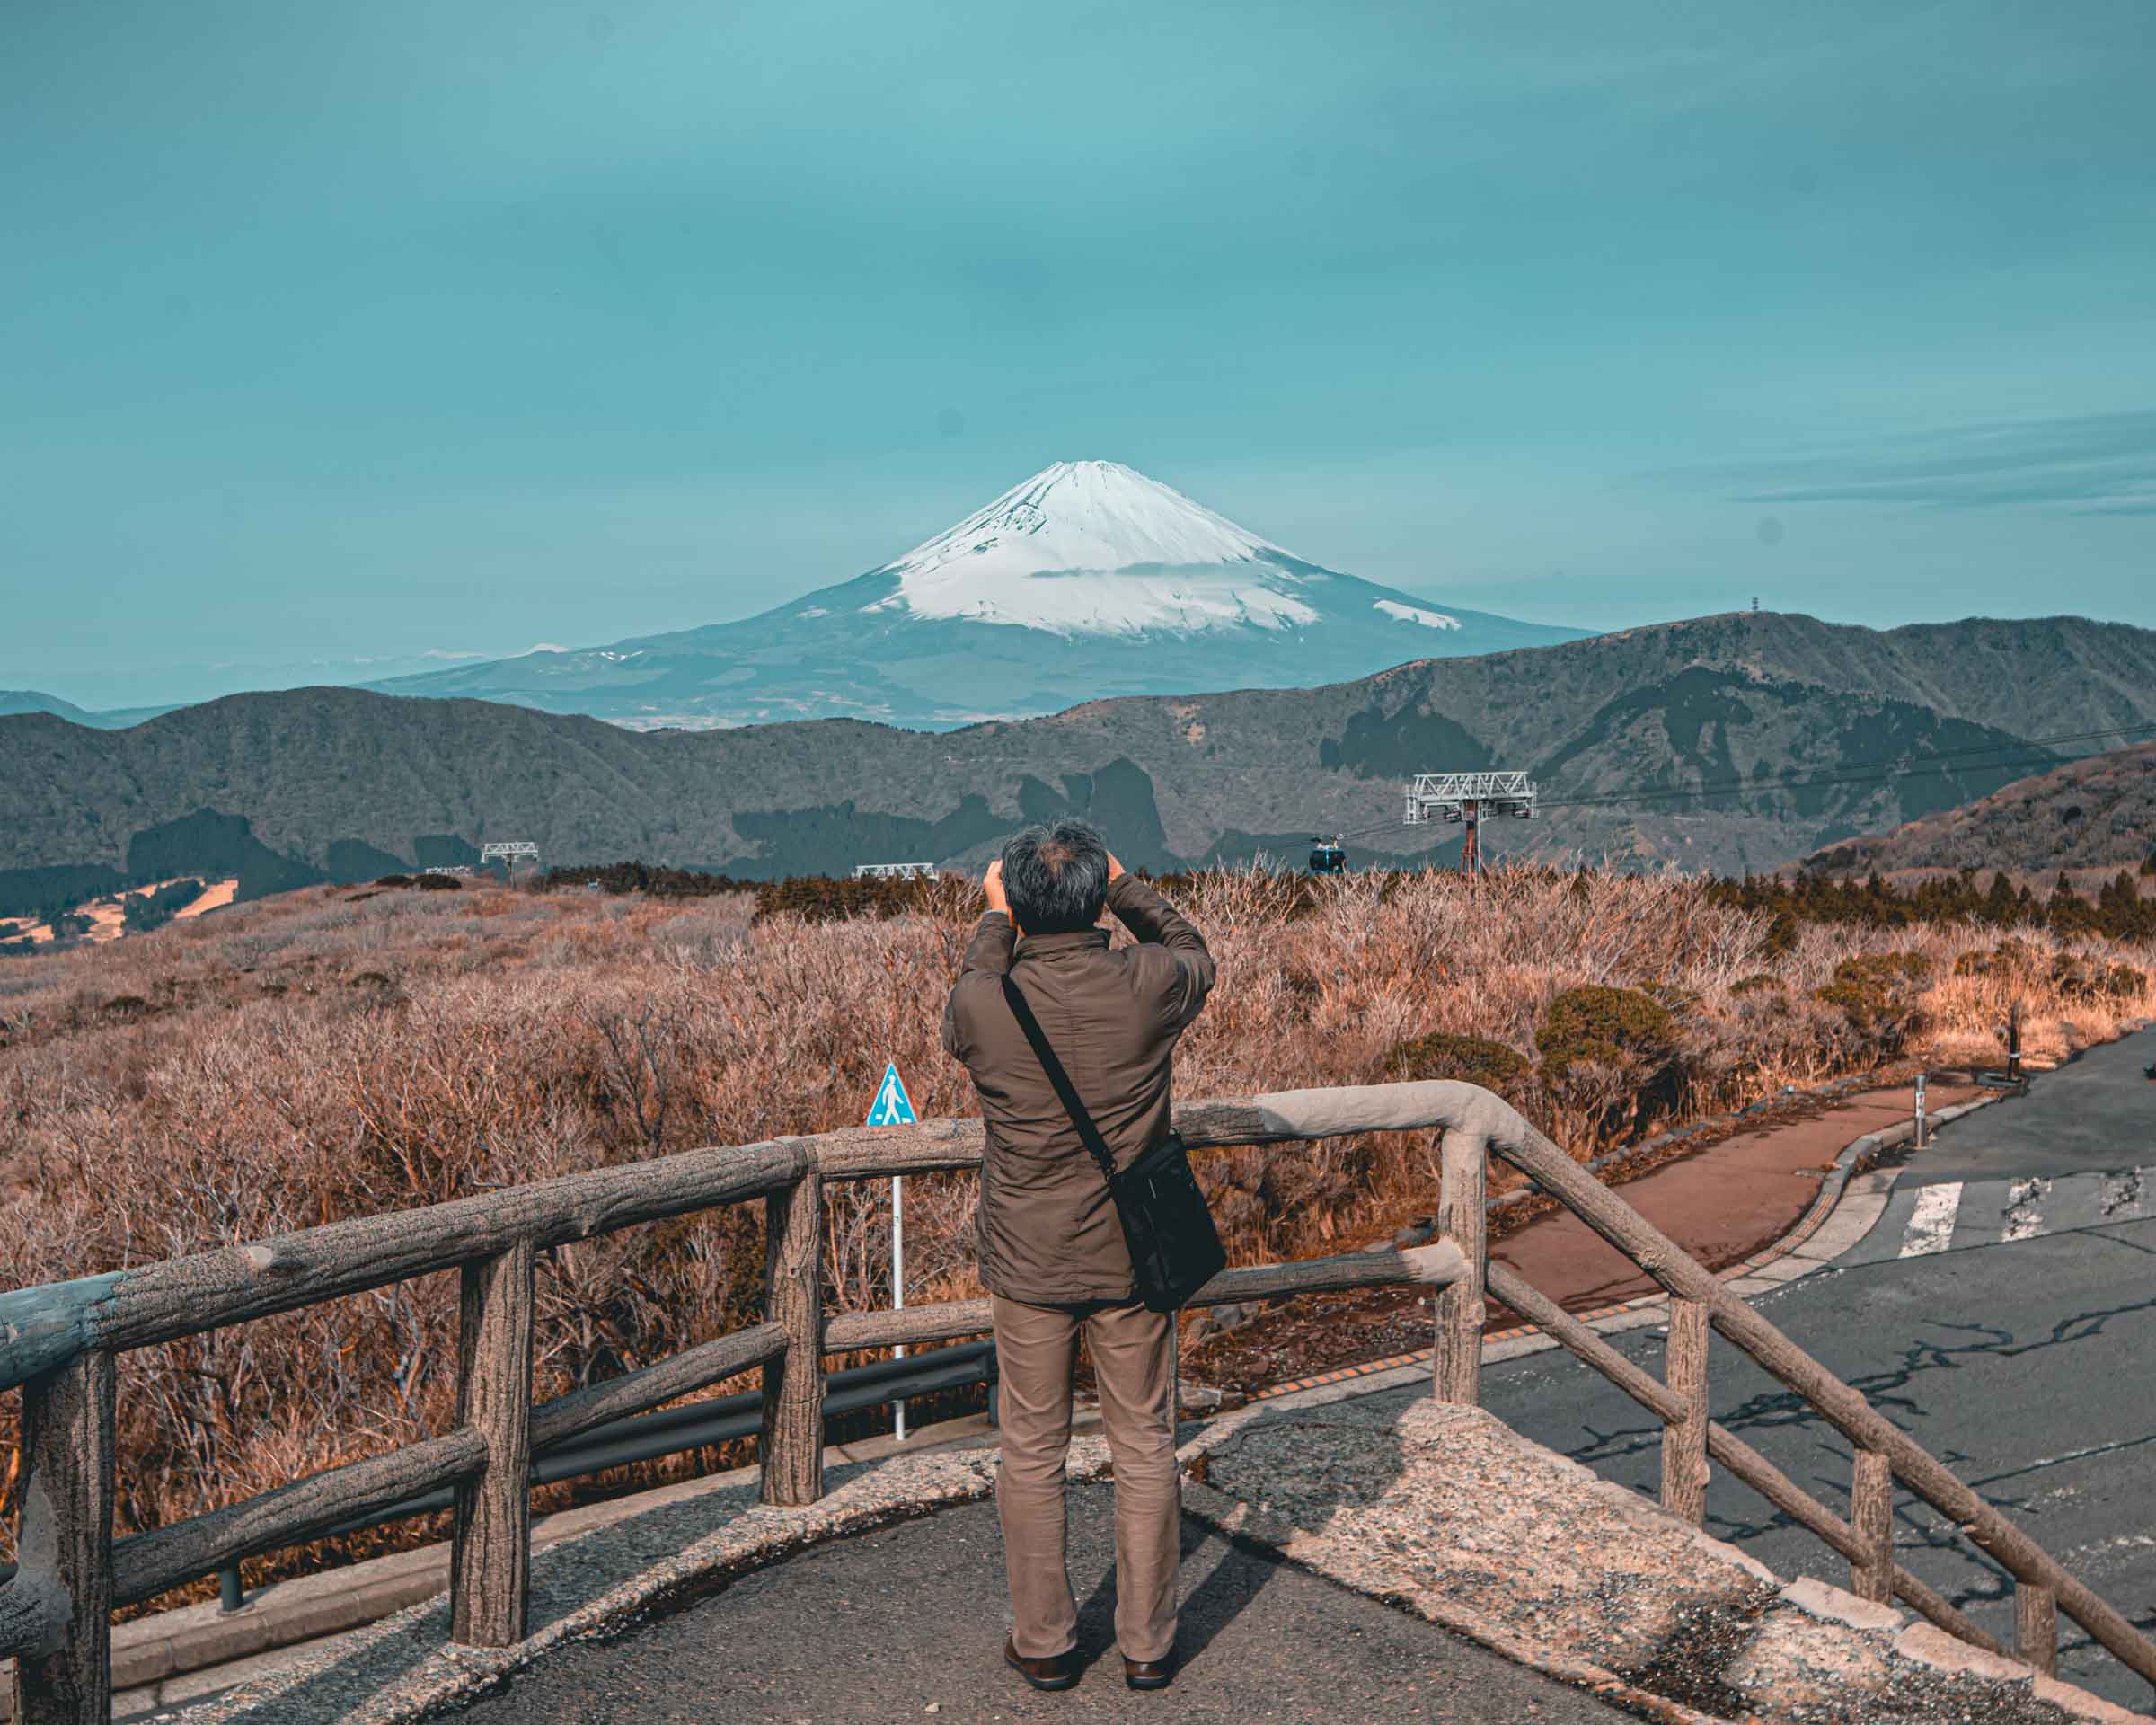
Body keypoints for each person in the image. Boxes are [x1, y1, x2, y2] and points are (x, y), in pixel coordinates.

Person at [941, 819, 1215, 1694]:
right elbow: (1191, 948)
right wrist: (1127, 889)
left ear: (1017, 902)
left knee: (1030, 1448)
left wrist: (994, 918)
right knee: (1143, 1443)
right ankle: (1147, 1643)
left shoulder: (986, 1001)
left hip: (1028, 1257)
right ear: (1096, 896)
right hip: (1133, 1258)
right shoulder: (1149, 986)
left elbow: (971, 986)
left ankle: (1048, 1642)